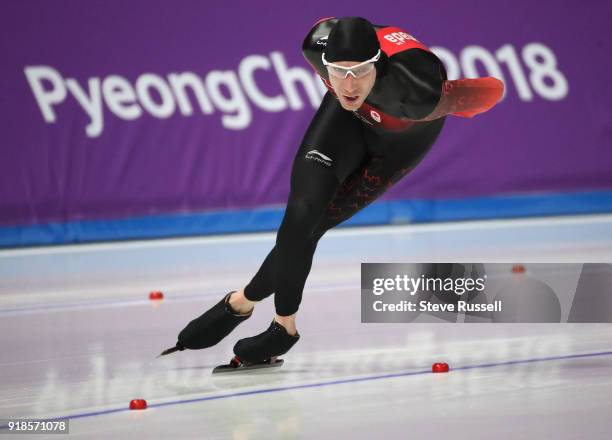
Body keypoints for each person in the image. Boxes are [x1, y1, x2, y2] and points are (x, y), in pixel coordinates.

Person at [161, 17, 504, 365]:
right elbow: (349, 55)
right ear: (325, 63)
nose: (349, 83)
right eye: (338, 72)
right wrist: (346, 81)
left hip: (398, 145)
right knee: (301, 216)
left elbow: (490, 92)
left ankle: (248, 306)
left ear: (378, 65)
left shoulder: (416, 91)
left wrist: (476, 93)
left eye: (360, 72)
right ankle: (278, 322)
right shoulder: (316, 46)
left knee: (315, 225)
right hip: (346, 120)